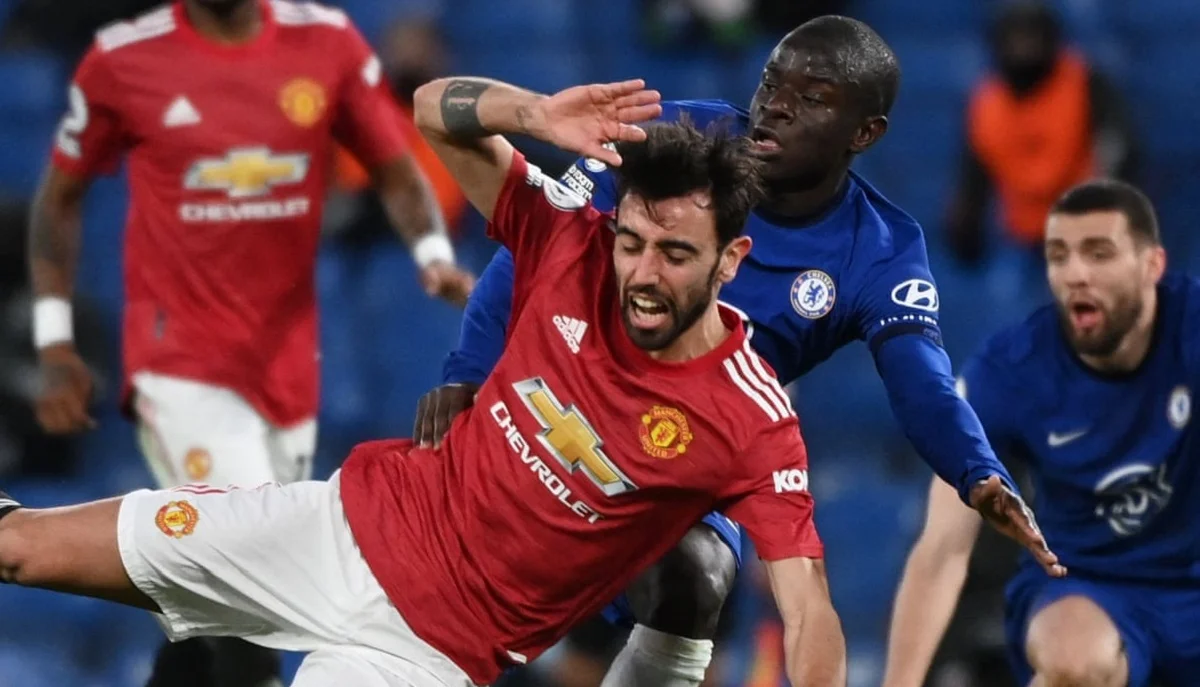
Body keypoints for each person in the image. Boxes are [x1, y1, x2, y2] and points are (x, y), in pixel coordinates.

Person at [0, 77, 849, 687]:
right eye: (633, 242)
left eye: (675, 253)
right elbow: (431, 111)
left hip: (419, 652)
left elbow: (809, 612)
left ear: (731, 259)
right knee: (22, 546)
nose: (643, 274)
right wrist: (535, 115)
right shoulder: (571, 247)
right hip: (331, 525)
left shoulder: (748, 418)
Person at [414, 15, 1061, 686]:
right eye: (772, 83)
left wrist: (976, 470)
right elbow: (537, 246)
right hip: (571, 404)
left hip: (688, 451)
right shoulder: (681, 137)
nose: (776, 105)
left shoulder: (882, 250)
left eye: (812, 98)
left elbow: (921, 383)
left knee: (701, 575)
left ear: (864, 133)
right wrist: (469, 372)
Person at [27, 1, 474, 684]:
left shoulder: (326, 43)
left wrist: (433, 254)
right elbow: (59, 197)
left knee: (229, 603)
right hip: (179, 365)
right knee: (242, 568)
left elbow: (391, 162)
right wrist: (55, 339)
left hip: (287, 370)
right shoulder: (125, 59)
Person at [883, 179, 1200, 687]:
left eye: (1099, 254)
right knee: (1073, 657)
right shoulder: (1010, 371)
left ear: (1152, 266)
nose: (1076, 274)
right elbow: (942, 549)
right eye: (1058, 256)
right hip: (1087, 585)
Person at [945, 0, 1138, 264]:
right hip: (1021, 237)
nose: (1024, 47)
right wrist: (966, 222)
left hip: (1081, 230)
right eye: (1016, 37)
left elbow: (1119, 147)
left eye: (1032, 35)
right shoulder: (986, 101)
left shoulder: (1085, 83)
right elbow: (975, 171)